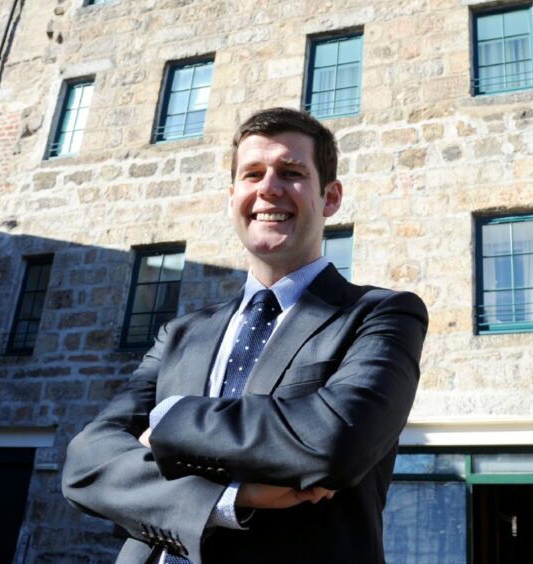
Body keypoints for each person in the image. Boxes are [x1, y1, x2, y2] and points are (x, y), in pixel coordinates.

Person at [62, 107, 428, 563]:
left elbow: (334, 443)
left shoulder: (380, 315)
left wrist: (169, 420)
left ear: (330, 198)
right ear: (232, 194)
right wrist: (233, 498)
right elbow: (86, 465)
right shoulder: (181, 334)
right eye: (252, 173)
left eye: (291, 172)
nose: (268, 188)